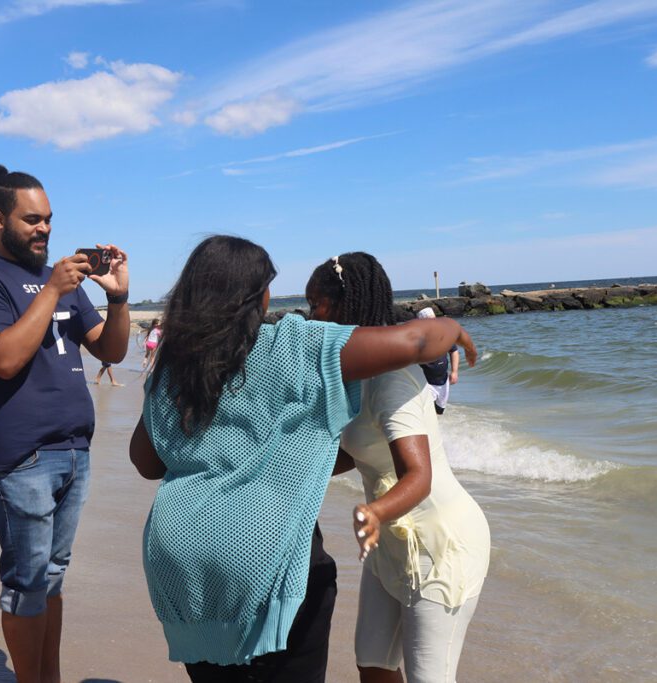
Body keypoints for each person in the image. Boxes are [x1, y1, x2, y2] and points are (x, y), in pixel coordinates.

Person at [128, 236, 476, 681]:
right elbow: (417, 340)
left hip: (177, 558)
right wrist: (454, 329)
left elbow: (147, 461)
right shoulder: (295, 345)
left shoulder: (174, 365)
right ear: (255, 295)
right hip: (266, 557)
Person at [0, 164, 130, 683]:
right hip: (19, 455)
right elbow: (3, 359)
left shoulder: (67, 283)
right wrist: (50, 291)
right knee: (27, 581)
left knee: (51, 578)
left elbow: (110, 351)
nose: (44, 229)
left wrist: (116, 297)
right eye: (32, 220)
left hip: (74, 449)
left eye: (48, 220)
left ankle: (48, 676)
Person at [307, 253, 490, 683]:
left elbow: (418, 476)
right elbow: (360, 451)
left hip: (439, 549)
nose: (312, 316)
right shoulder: (356, 372)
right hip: (390, 547)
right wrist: (293, 470)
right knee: (373, 667)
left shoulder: (393, 379)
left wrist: (374, 513)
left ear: (346, 303)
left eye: (318, 305)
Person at [415, 307, 459, 415]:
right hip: (426, 384)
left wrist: (454, 372)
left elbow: (454, 351)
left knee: (439, 411)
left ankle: (437, 429)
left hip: (443, 381)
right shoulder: (418, 340)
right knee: (428, 412)